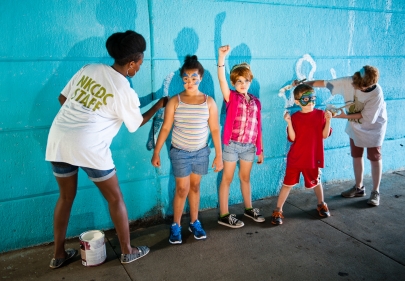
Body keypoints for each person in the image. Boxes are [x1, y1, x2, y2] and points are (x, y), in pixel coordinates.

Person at [45, 30, 168, 268]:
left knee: (65, 197)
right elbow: (135, 123)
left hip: (59, 139)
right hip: (90, 146)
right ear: (131, 64)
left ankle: (58, 255)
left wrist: (85, 115)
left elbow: (63, 98)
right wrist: (158, 105)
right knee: (115, 198)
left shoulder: (90, 68)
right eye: (140, 63)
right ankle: (127, 251)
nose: (140, 68)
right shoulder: (124, 90)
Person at [151, 55, 223, 244]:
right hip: (180, 152)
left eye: (193, 78)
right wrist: (157, 151)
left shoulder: (209, 102)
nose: (189, 82)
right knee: (181, 189)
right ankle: (175, 225)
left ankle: (194, 221)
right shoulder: (176, 101)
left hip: (201, 152)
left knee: (195, 187)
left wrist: (219, 156)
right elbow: (166, 127)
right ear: (182, 78)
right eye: (186, 78)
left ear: (201, 77)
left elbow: (215, 129)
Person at [299, 65, 387, 206]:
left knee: (374, 157)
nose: (358, 89)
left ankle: (375, 191)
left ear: (371, 84)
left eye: (362, 88)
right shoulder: (350, 81)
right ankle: (359, 188)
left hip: (373, 128)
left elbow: (367, 117)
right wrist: (304, 84)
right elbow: (326, 83)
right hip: (355, 125)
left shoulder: (376, 93)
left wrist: (342, 116)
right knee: (356, 155)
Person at [216, 45, 264, 228]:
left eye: (245, 80)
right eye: (238, 81)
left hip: (249, 147)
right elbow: (221, 80)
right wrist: (221, 58)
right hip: (232, 145)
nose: (242, 84)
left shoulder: (256, 102)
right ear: (234, 83)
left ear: (250, 80)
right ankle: (224, 214)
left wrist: (260, 149)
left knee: (245, 178)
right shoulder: (231, 98)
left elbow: (259, 127)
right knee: (227, 178)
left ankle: (248, 208)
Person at [271, 84, 332, 225]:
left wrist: (328, 120)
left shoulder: (320, 114)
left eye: (312, 98)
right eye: (306, 99)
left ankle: (321, 204)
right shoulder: (295, 117)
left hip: (312, 158)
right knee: (287, 184)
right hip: (296, 157)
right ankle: (278, 210)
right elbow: (292, 138)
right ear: (297, 101)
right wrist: (289, 122)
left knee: (316, 181)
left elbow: (325, 135)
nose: (310, 101)